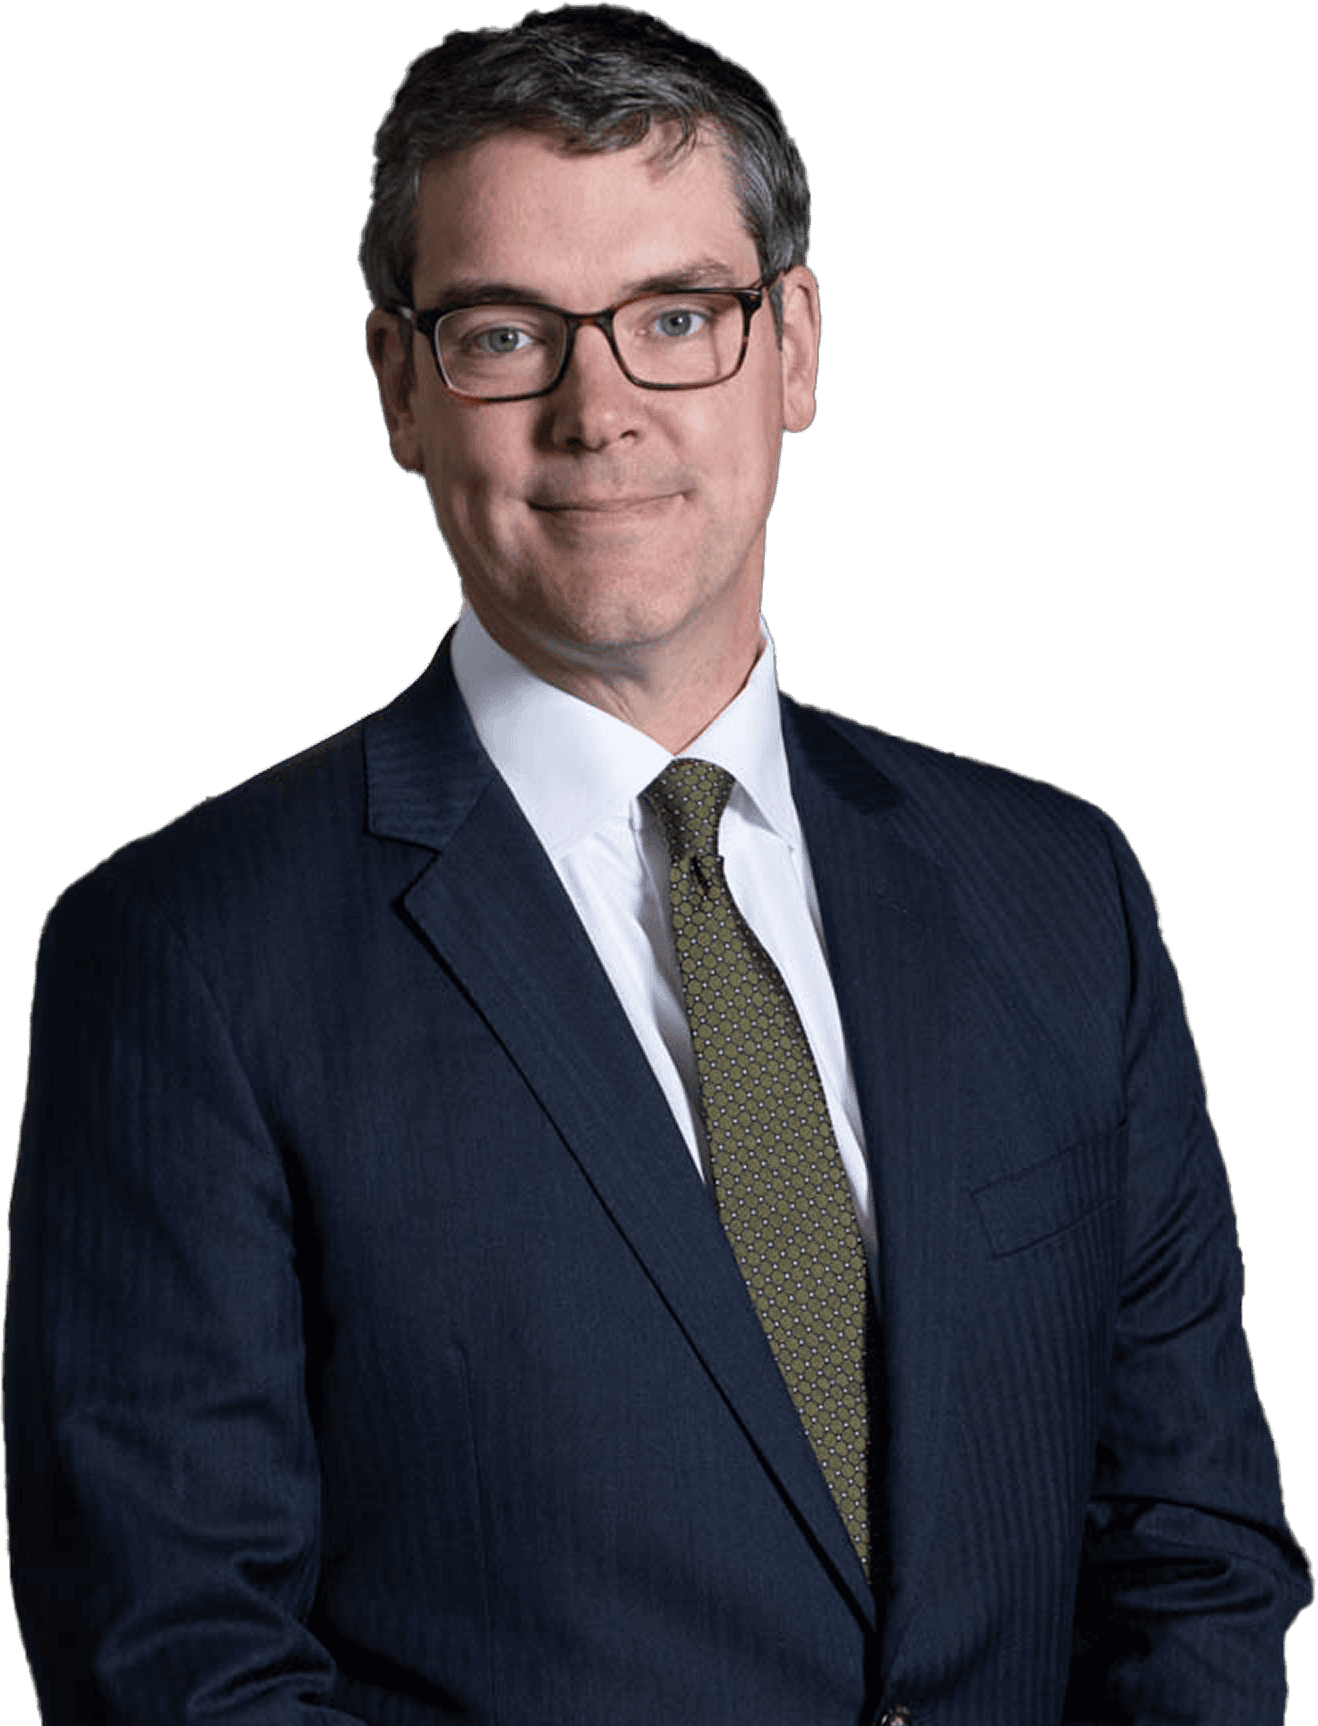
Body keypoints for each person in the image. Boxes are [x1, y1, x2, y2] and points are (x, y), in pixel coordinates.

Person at [4, 5, 1311, 1721]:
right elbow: (179, 1654)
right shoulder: (186, 952)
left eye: (675, 318)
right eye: (505, 335)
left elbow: (1191, 1550)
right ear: (401, 385)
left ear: (793, 350)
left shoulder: (1059, 892)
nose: (598, 409)